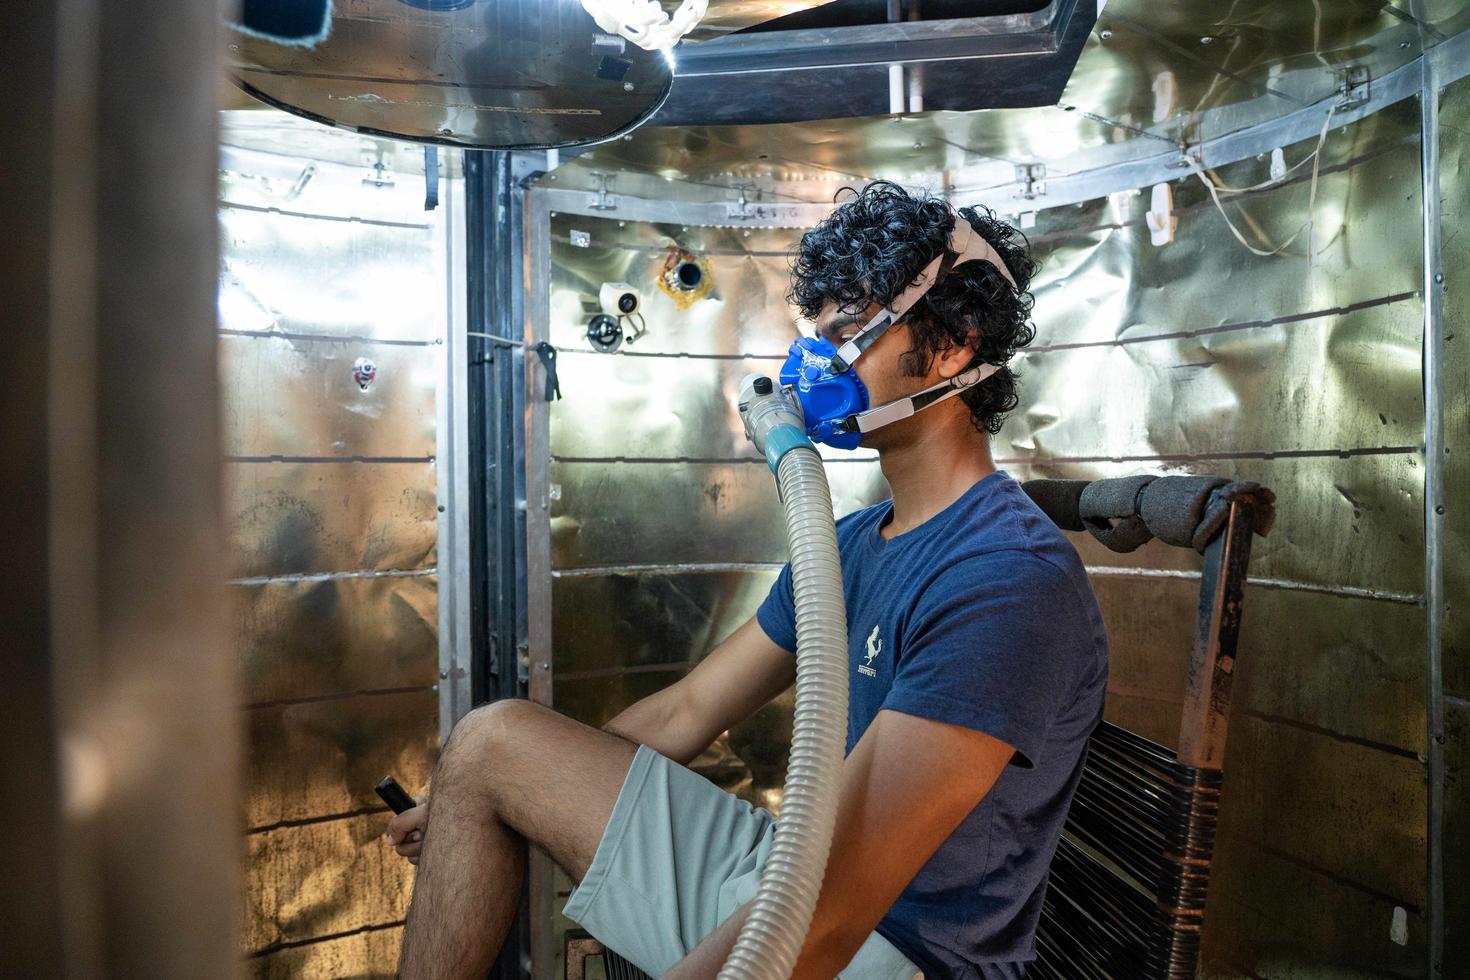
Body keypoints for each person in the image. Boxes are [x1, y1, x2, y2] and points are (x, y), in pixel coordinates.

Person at [386, 180, 1109, 979]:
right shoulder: (854, 544)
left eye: (849, 330)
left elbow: (831, 912)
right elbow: (687, 710)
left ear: (955, 342)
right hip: (792, 868)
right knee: (491, 747)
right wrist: (477, 805)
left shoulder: (1006, 580)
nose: (812, 363)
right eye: (817, 331)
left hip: (896, 950)